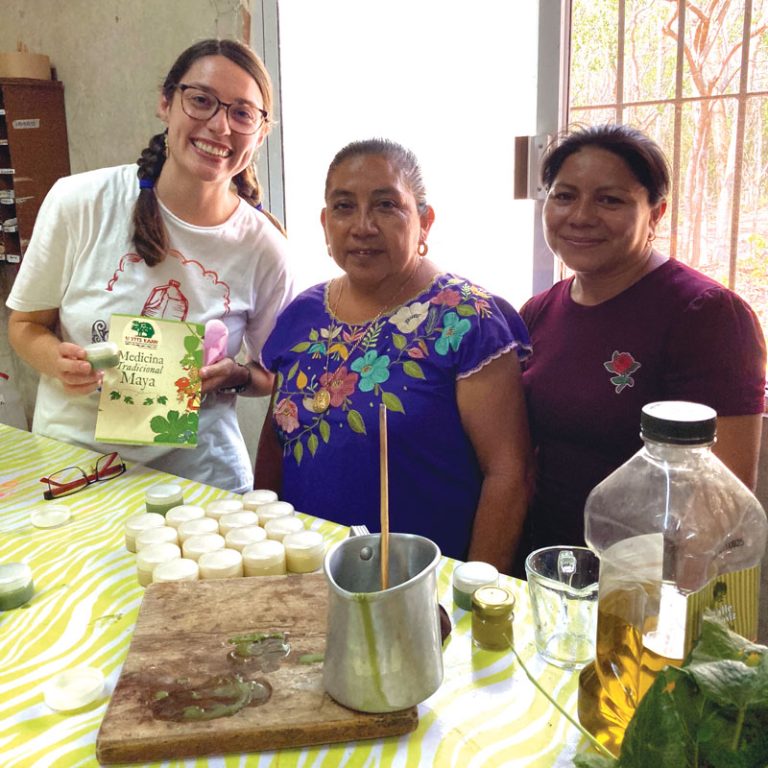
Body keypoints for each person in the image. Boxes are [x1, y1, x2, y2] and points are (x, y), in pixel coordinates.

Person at [7, 39, 293, 494]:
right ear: (166, 102)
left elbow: (274, 374)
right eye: (200, 101)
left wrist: (238, 377)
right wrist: (55, 361)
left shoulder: (264, 247)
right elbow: (25, 324)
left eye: (242, 113)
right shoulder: (79, 202)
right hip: (78, 470)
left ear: (260, 132)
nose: (219, 126)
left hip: (203, 483)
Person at [255, 138, 532, 570]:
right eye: (344, 207)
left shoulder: (468, 320)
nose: (363, 226)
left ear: (425, 221)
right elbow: (275, 442)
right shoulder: (302, 315)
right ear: (326, 223)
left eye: (386, 206)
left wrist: (473, 596)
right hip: (305, 567)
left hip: (419, 586)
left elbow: (509, 475)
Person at [515, 123, 766, 573]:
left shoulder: (706, 314)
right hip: (550, 570)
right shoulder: (539, 311)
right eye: (564, 195)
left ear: (655, 213)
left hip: (646, 587)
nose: (581, 216)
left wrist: (655, 610)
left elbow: (722, 501)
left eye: (610, 199)